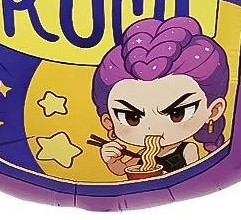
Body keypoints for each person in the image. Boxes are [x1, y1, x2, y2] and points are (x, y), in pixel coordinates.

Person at [92, 16, 229, 176]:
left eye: (177, 114)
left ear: (213, 111)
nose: (152, 129)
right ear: (108, 121)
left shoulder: (187, 149)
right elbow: (122, 171)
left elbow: (191, 175)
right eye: (132, 118)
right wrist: (112, 161)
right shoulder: (144, 153)